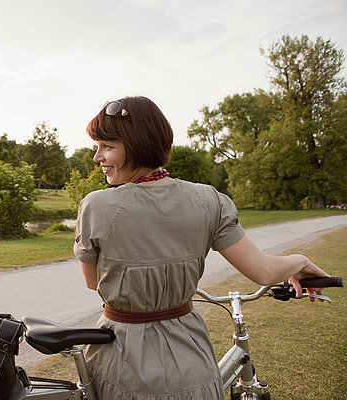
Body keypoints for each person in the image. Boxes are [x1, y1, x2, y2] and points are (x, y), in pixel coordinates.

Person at [73, 96, 330, 399]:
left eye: (107, 146)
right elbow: (264, 272)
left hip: (122, 359)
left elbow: (93, 282)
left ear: (138, 144)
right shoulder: (209, 200)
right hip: (191, 356)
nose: (96, 157)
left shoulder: (97, 205)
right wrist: (300, 261)